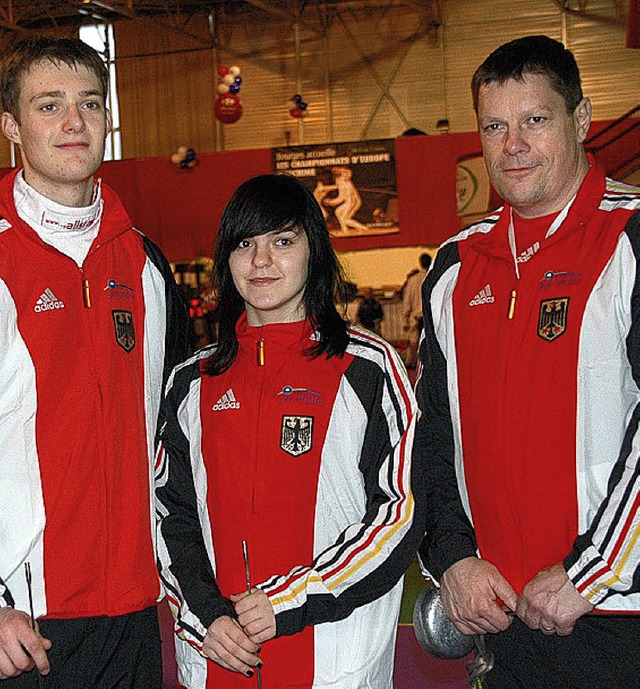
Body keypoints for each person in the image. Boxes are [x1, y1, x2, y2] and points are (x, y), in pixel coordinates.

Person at [415, 34, 640, 688]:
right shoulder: (457, 267)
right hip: (505, 614)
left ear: (581, 119)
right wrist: (453, 558)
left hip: (616, 611)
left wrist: (589, 572)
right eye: (494, 125)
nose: (512, 143)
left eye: (534, 120)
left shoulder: (629, 237)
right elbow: (432, 433)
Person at [155, 173, 422, 689]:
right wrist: (207, 616)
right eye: (245, 244)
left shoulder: (368, 368)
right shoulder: (191, 381)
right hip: (217, 659)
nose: (261, 262)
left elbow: (399, 512)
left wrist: (290, 599)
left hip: (336, 661)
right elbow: (169, 514)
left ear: (312, 251)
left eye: (282, 241)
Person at [0, 36, 189, 686]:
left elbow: (174, 436)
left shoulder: (147, 264)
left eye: (89, 103)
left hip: (135, 613)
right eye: (49, 105)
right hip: (21, 622)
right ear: (11, 126)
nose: (74, 123)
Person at [401, 252, 431, 368]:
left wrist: (405, 320)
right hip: (430, 317)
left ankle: (411, 366)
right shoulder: (434, 276)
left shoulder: (413, 281)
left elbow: (407, 302)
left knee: (413, 344)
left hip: (416, 317)